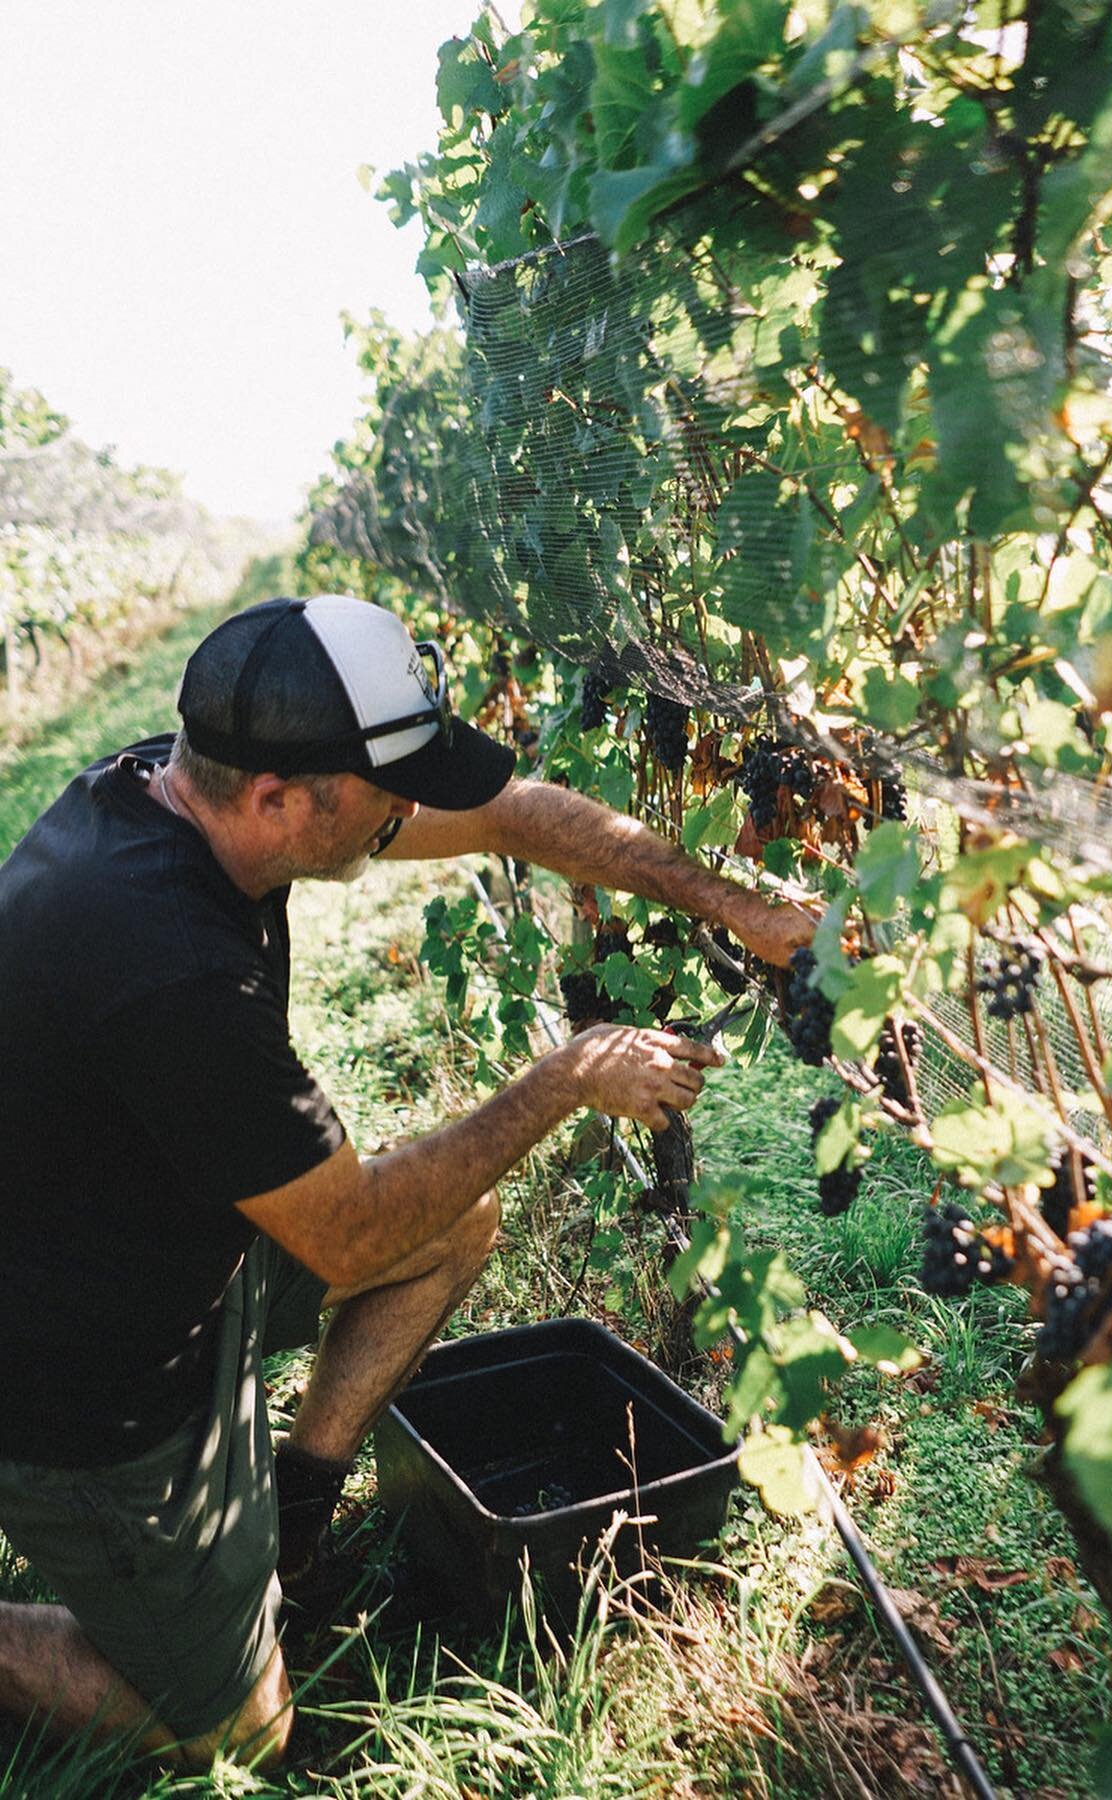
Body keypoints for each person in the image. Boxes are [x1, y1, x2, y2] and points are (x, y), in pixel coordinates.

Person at [0, 594, 813, 1770]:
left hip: (155, 1247)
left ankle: (293, 1514)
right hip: (79, 1387)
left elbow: (509, 812)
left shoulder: (193, 792)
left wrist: (741, 908)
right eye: (390, 790)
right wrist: (567, 1078)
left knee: (455, 1222)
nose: (407, 812)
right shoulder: (168, 970)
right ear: (285, 798)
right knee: (239, 1727)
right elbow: (347, 1235)